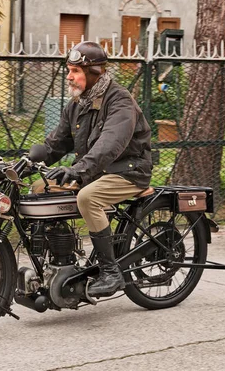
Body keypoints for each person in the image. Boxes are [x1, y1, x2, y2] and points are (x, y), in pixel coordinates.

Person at [39, 41, 153, 297]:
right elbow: (56, 144)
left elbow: (110, 143)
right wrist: (22, 165)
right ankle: (58, 258)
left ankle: (110, 272)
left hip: (127, 171)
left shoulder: (119, 100)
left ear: (95, 73)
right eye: (69, 70)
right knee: (39, 188)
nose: (69, 76)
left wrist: (78, 170)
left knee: (88, 198)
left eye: (76, 71)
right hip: (95, 171)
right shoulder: (77, 104)